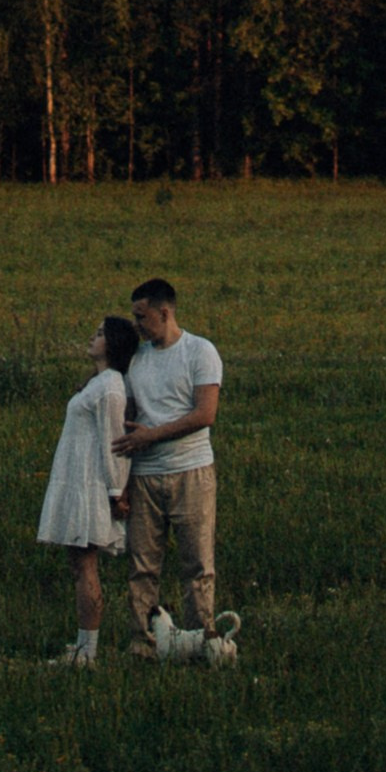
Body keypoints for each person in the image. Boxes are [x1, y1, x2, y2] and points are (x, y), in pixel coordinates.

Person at [113, 275, 223, 656]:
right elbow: (128, 419)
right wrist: (123, 484)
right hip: (144, 475)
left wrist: (152, 436)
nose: (137, 325)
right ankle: (142, 643)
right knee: (142, 565)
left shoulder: (199, 351)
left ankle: (200, 640)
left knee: (197, 563)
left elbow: (205, 413)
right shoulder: (136, 361)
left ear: (164, 312)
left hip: (191, 470)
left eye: (142, 317)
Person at [35, 313, 139, 665]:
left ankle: (87, 652)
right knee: (79, 566)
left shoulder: (110, 387)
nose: (92, 338)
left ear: (113, 344)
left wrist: (115, 492)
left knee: (85, 567)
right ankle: (82, 645)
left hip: (90, 486)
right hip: (76, 480)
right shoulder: (98, 383)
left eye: (99, 333)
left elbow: (116, 443)